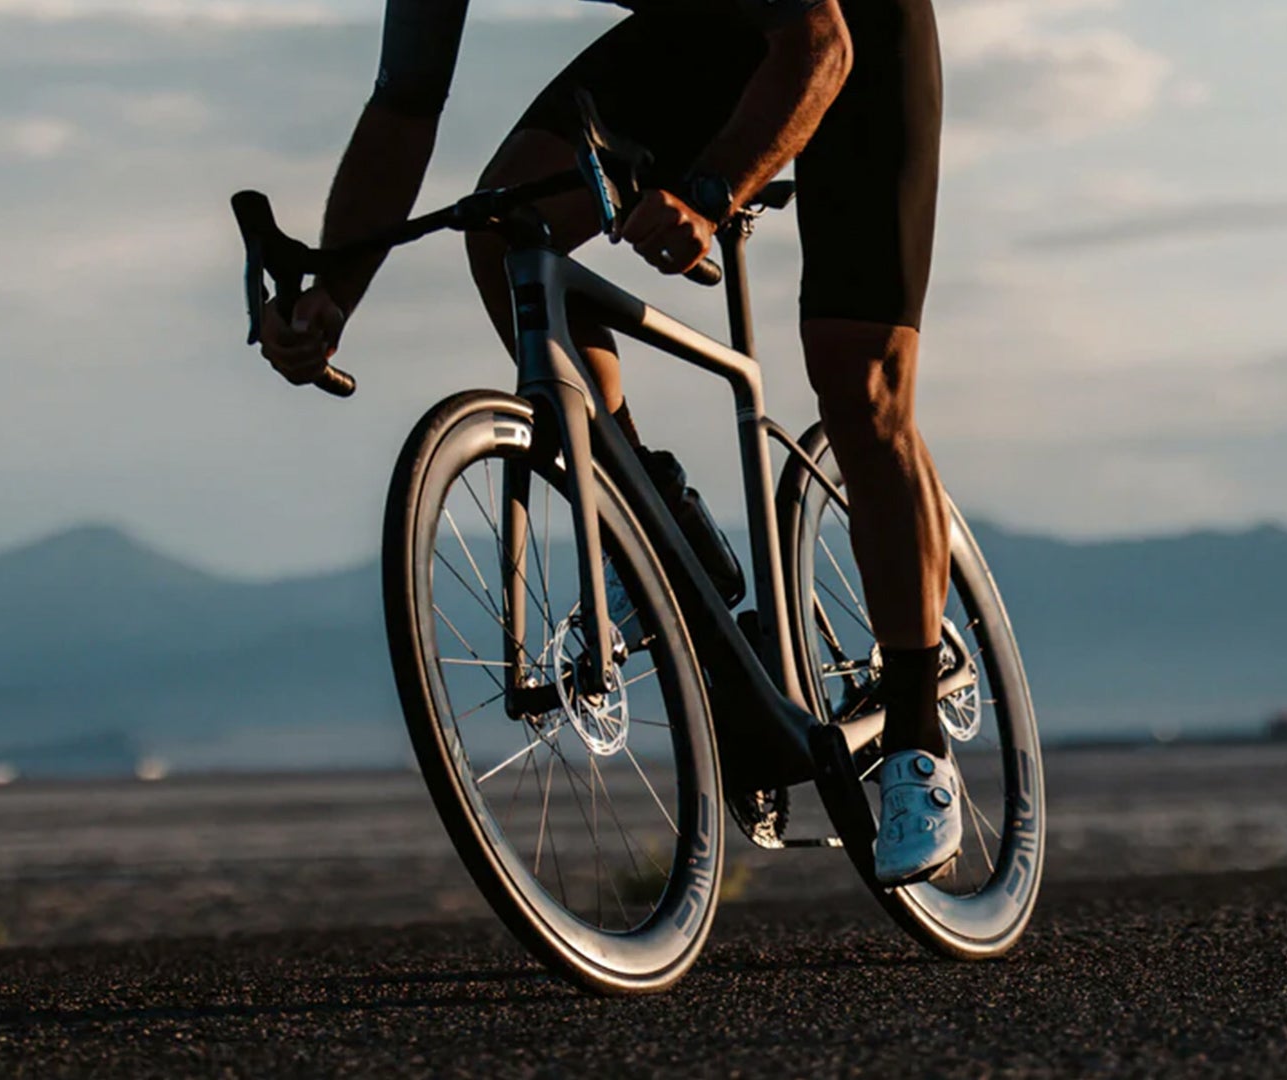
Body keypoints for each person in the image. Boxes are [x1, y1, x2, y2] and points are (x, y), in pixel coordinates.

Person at [258, 0, 958, 886]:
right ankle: (651, 530)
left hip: (848, 37)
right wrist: (335, 295)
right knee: (509, 228)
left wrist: (710, 194)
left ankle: (915, 735)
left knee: (859, 385)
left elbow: (821, 44)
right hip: (707, 32)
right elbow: (403, 109)